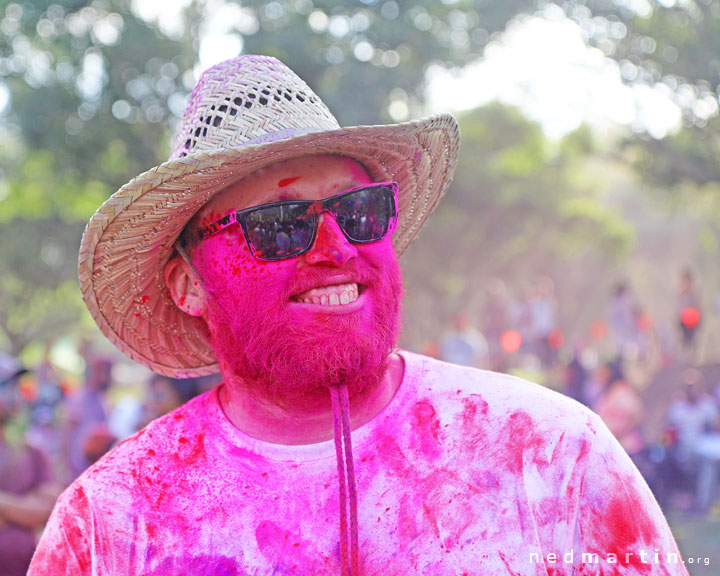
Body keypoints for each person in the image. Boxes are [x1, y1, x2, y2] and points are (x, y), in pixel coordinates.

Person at [30, 55, 688, 575]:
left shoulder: (548, 454)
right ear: (188, 284)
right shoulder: (110, 522)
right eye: (280, 223)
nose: (336, 248)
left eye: (359, 212)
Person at [0, 355, 62, 576]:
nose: (13, 394)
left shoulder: (31, 450)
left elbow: (50, 509)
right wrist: (23, 506)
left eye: (15, 386)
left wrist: (4, 504)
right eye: (5, 386)